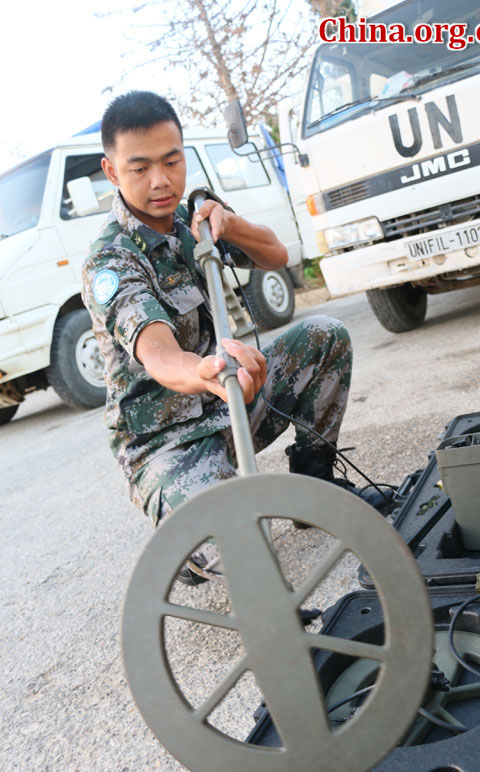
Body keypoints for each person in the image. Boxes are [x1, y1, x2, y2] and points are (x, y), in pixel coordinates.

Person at [82, 90, 388, 585]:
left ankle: (314, 487)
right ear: (112, 172)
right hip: (168, 442)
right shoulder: (111, 260)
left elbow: (276, 255)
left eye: (171, 161)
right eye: (139, 168)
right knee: (248, 555)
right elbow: (156, 351)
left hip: (232, 404)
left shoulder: (194, 223)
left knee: (323, 335)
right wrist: (202, 371)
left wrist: (230, 224)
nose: (160, 180)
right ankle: (186, 545)